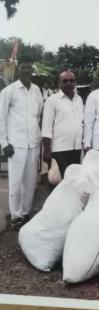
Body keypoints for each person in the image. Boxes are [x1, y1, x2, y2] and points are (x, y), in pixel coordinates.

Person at [0, 55, 43, 230]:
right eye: (23, 67)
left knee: (30, 181)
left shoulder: (37, 91)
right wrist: (4, 143)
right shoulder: (9, 91)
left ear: (32, 69)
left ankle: (25, 213)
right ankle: (16, 215)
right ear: (19, 69)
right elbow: (0, 118)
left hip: (33, 143)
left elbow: (38, 115)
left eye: (29, 68)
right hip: (15, 145)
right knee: (15, 182)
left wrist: (38, 138)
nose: (26, 70)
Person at [42, 70, 84, 178]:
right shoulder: (52, 100)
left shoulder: (78, 99)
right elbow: (46, 127)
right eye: (65, 81)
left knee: (75, 182)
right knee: (59, 182)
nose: (69, 83)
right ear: (59, 83)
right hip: (60, 149)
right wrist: (47, 151)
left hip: (77, 149)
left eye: (71, 81)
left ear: (75, 83)